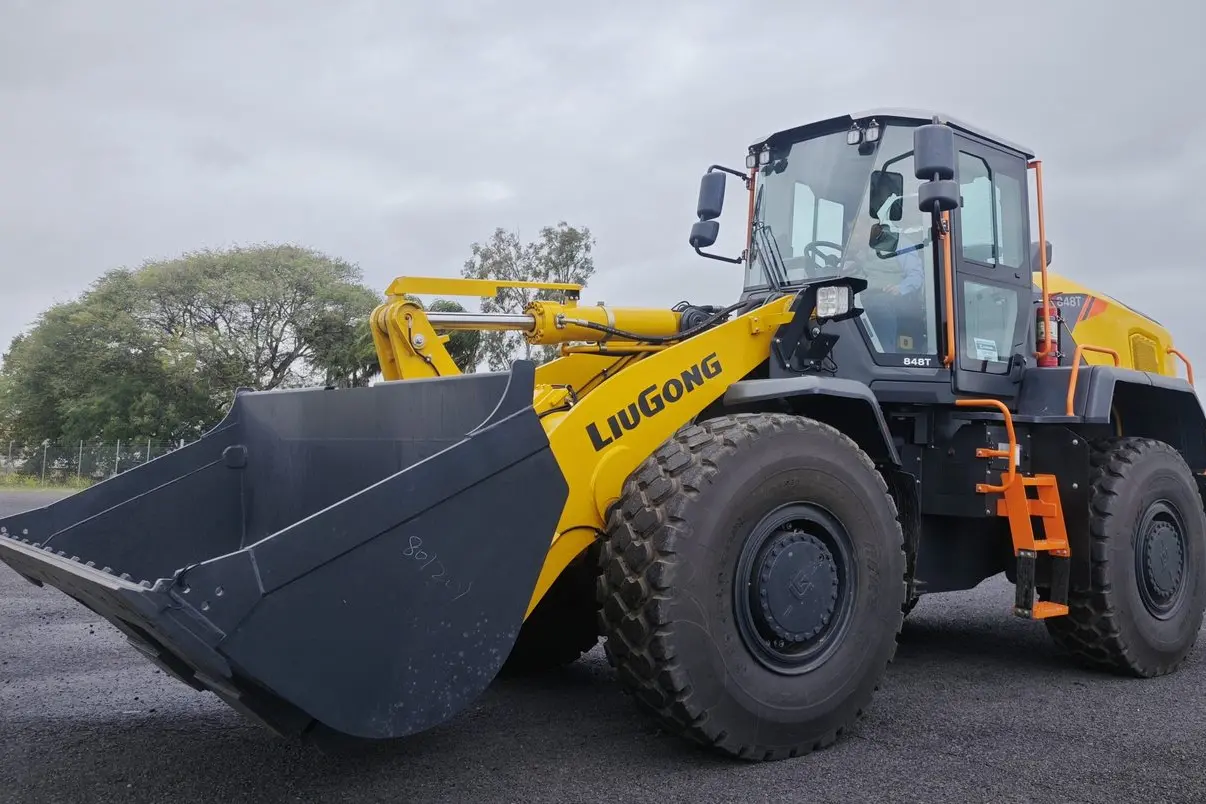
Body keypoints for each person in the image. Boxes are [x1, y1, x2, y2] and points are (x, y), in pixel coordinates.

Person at [844, 221, 926, 352]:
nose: (853, 237)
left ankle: (886, 354)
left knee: (878, 307)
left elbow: (916, 275)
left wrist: (900, 288)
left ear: (870, 228)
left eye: (856, 231)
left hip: (893, 298)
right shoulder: (858, 253)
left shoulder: (899, 243)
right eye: (851, 233)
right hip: (863, 297)